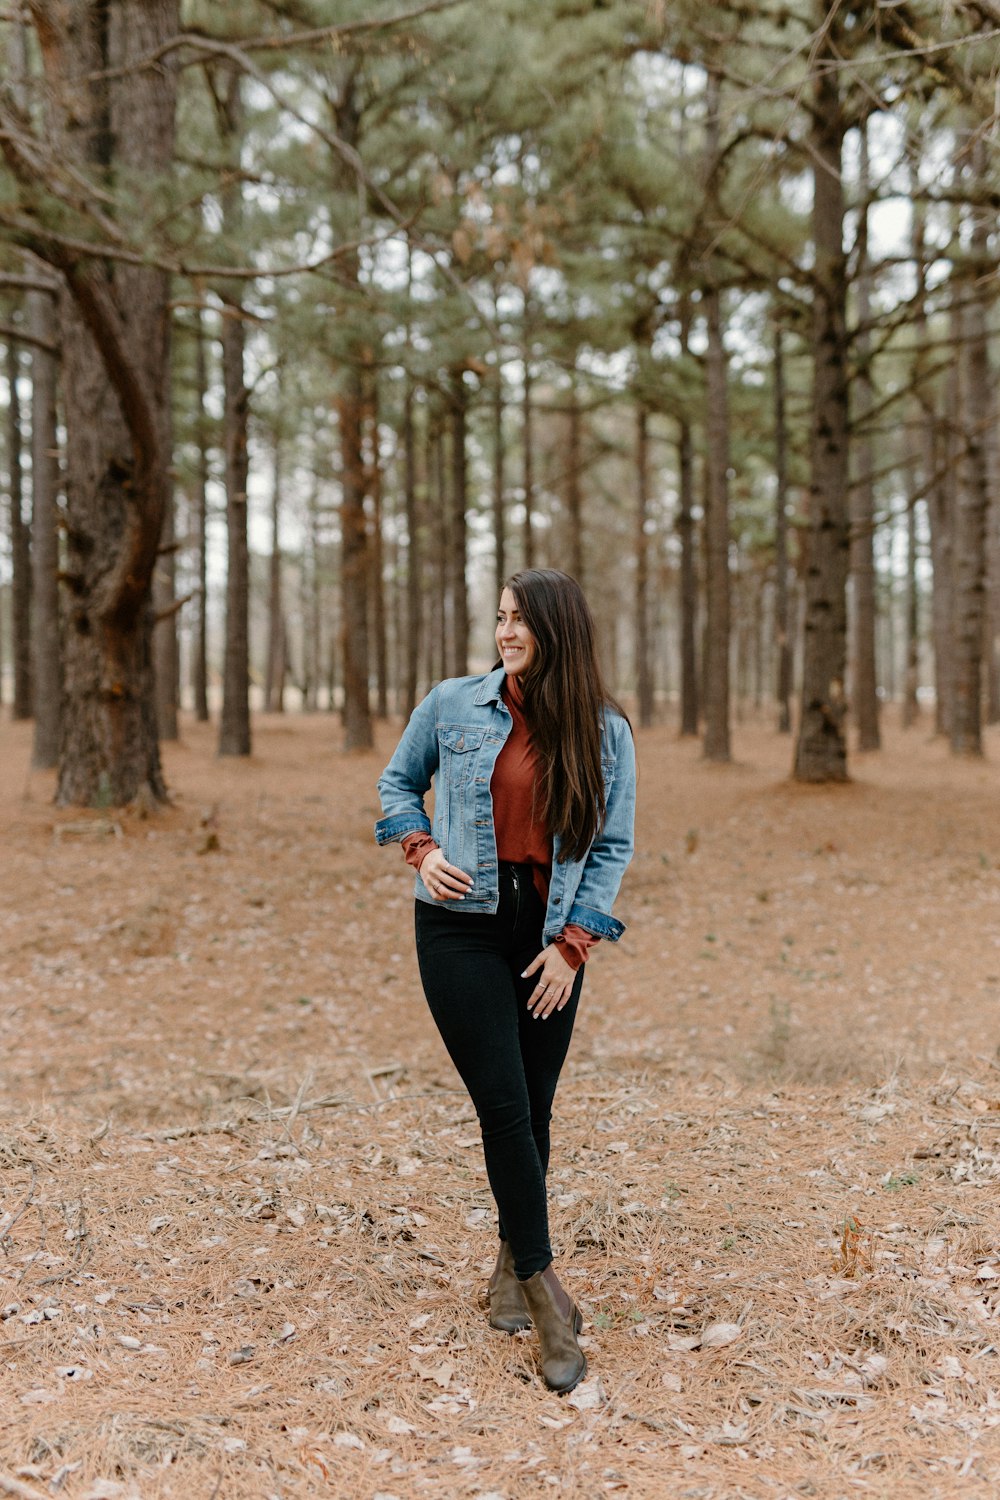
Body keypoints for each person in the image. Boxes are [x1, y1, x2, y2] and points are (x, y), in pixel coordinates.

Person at [375, 569, 636, 1394]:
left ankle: (507, 1266)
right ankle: (547, 1293)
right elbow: (395, 784)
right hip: (459, 928)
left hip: (548, 933)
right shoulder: (452, 703)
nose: (505, 633)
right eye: (499, 619)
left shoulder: (603, 732)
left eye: (521, 620)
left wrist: (574, 945)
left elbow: (611, 845)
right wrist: (424, 850)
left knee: (535, 1103)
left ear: (558, 631)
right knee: (504, 1105)